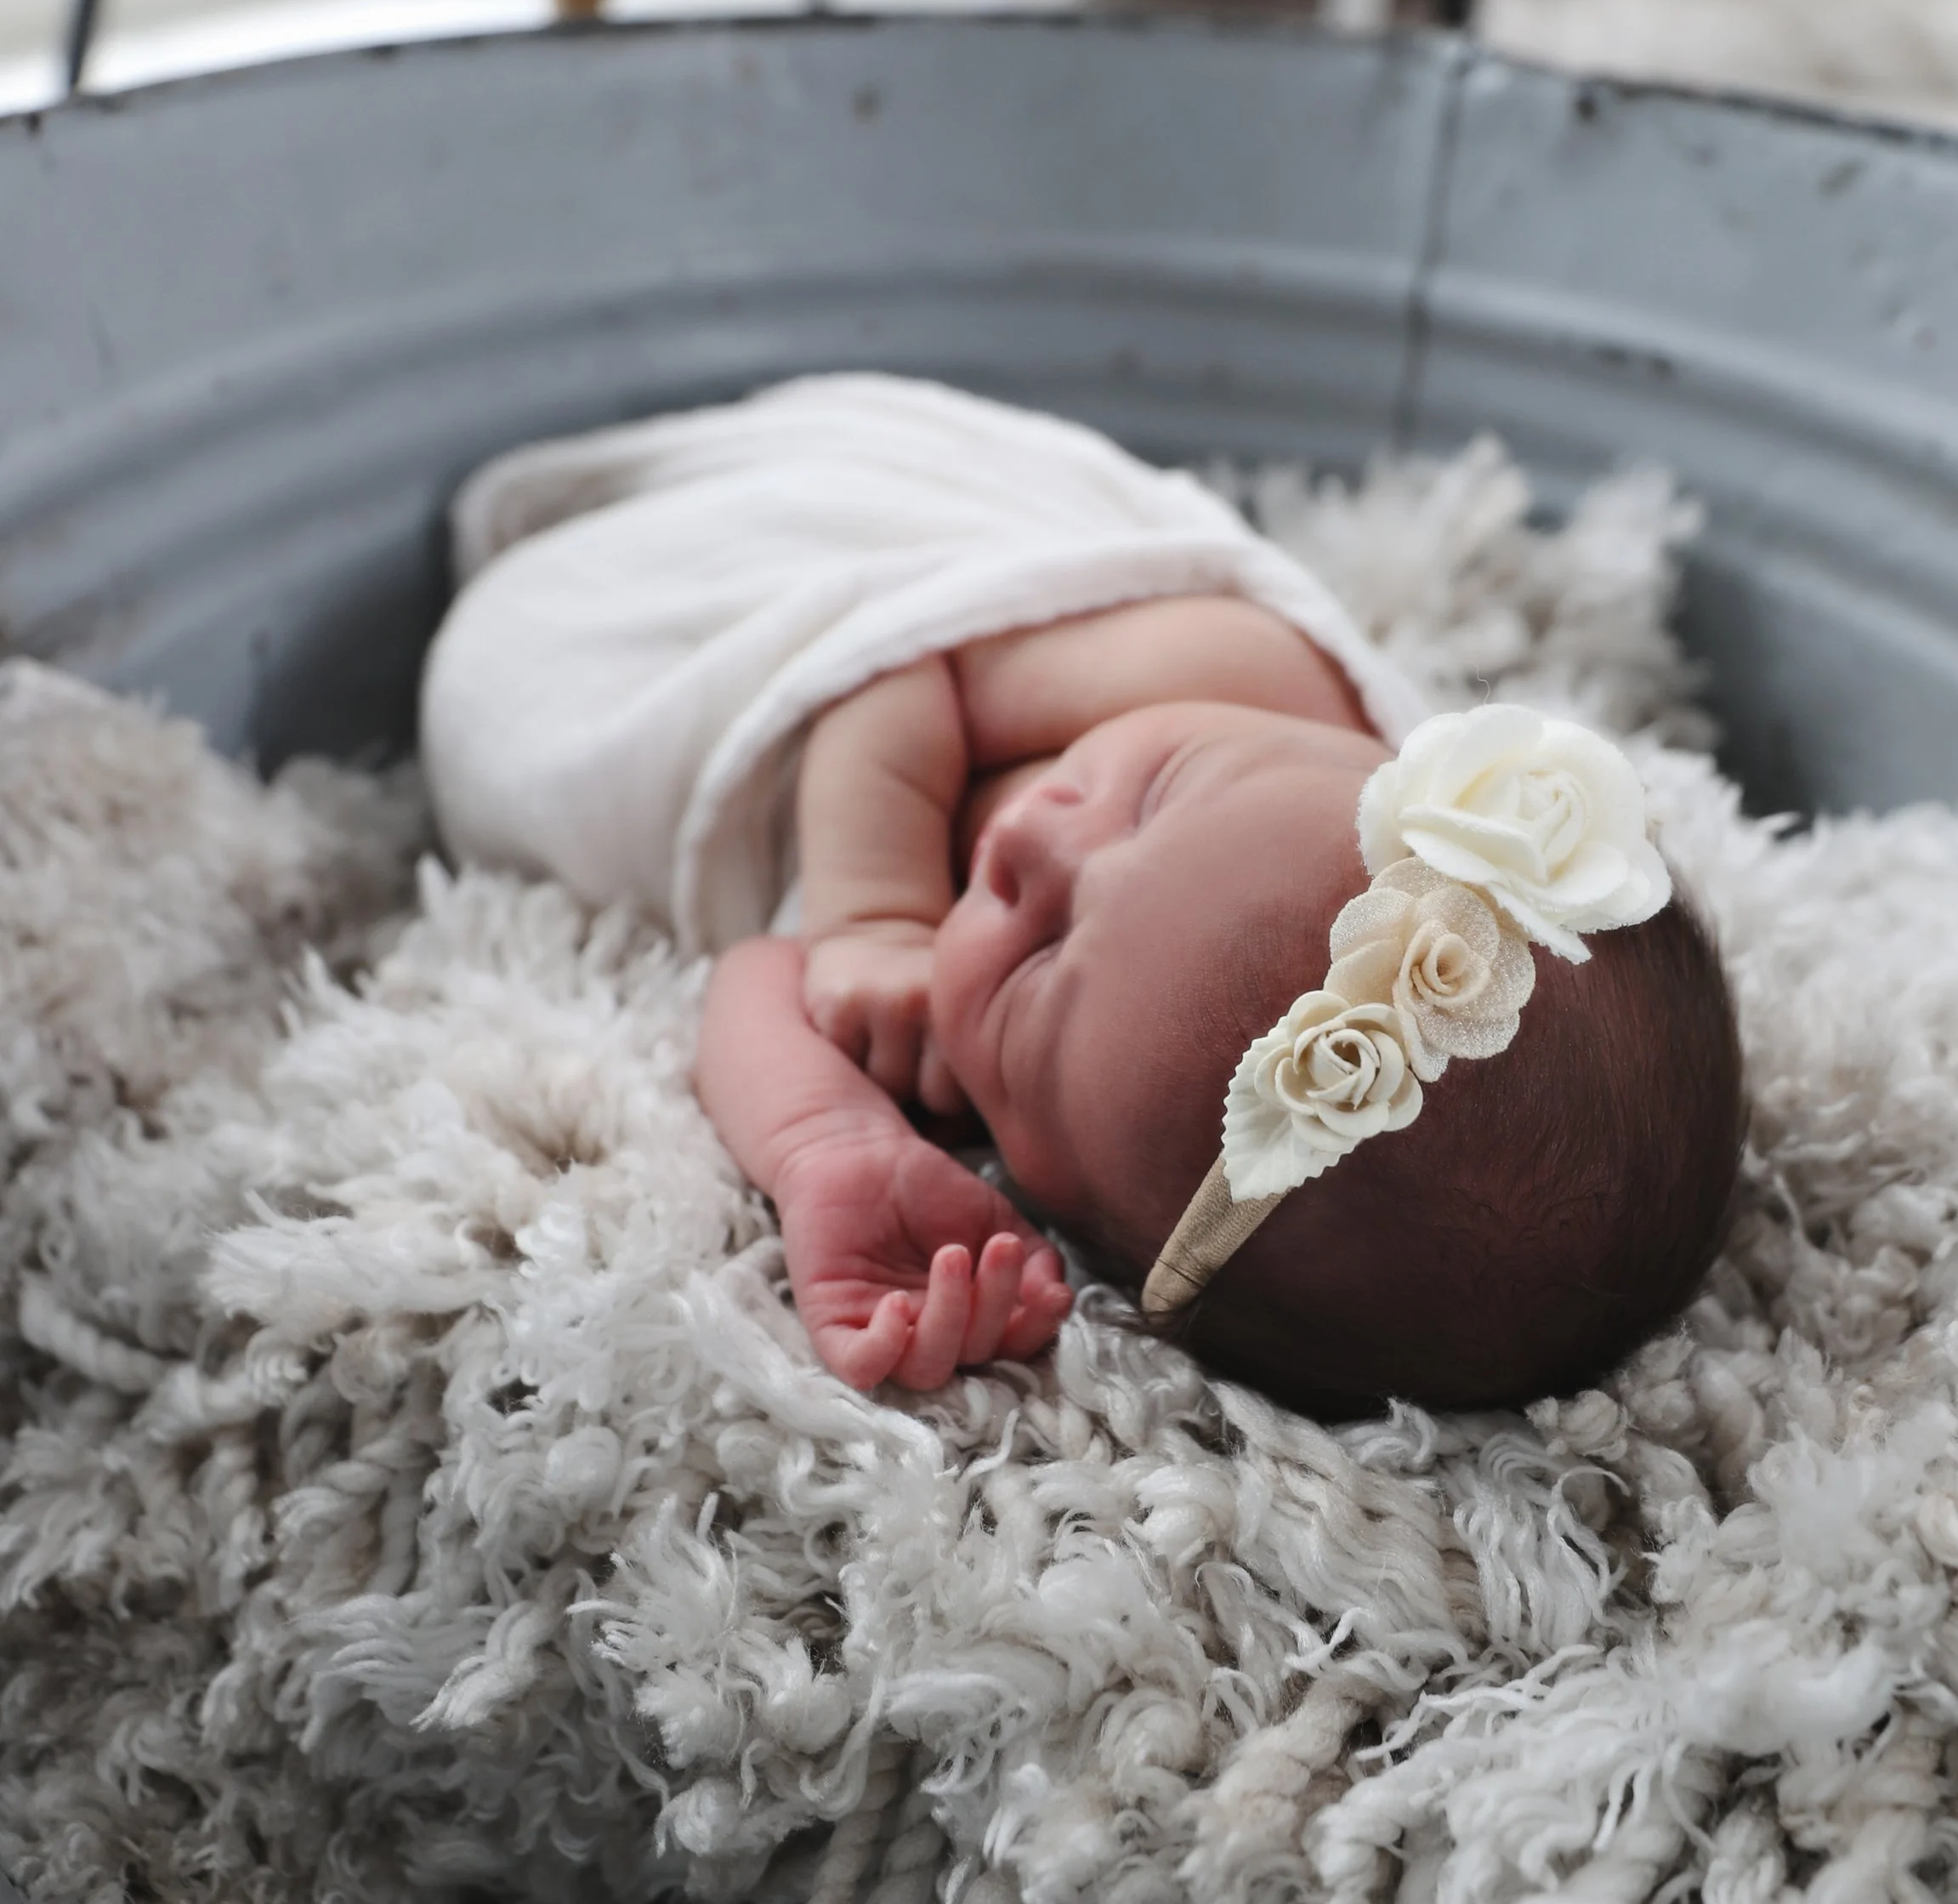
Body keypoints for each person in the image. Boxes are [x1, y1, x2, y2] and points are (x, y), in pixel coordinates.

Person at [422, 375, 1742, 1415]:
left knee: (522, 751)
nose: (1038, 850)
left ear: (1071, 1206)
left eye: (1041, 968)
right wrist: (874, 909)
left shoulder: (1045, 1084)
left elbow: (757, 985)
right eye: (1160, 786)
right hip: (806, 572)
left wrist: (835, 1146)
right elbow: (900, 665)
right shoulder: (1239, 673)